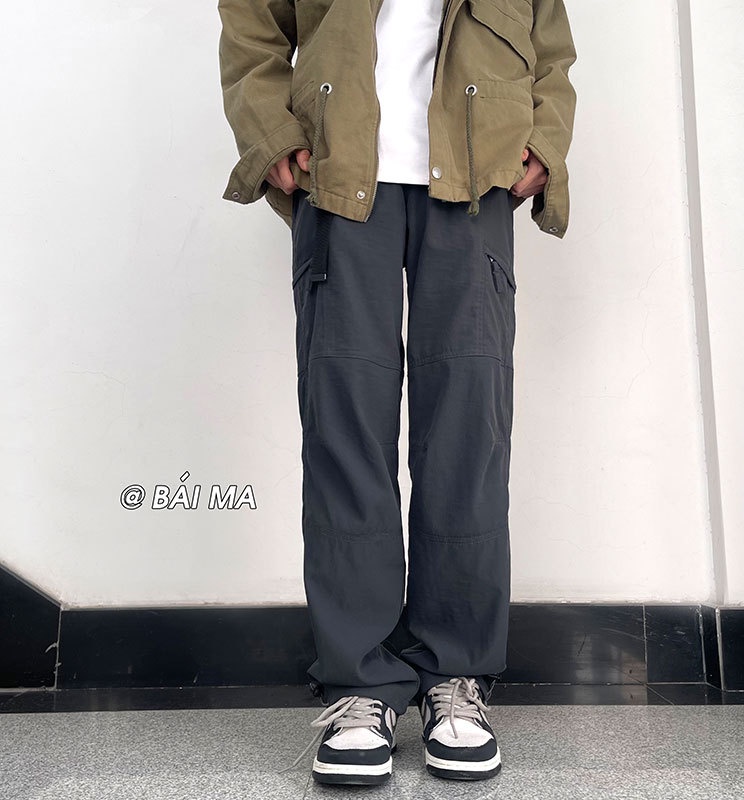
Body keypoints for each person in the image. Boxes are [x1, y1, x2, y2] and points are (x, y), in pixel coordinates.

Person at [217, 0, 577, 785]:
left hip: (478, 175)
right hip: (341, 176)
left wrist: (546, 143)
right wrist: (270, 133)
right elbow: (251, 24)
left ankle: (457, 675)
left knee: (469, 435)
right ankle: (360, 683)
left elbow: (550, 44)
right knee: (344, 428)